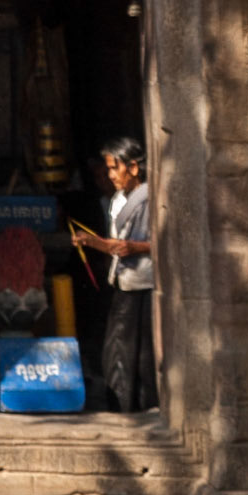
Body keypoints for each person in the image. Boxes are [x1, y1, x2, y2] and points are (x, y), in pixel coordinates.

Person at [80, 135, 157, 412]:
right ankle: (121, 406)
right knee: (117, 351)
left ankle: (144, 406)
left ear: (134, 168)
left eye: (115, 168)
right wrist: (95, 243)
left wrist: (132, 247)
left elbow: (163, 242)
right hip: (122, 283)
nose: (110, 175)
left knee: (142, 354)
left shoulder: (151, 198)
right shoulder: (116, 201)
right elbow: (115, 246)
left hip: (144, 284)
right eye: (108, 169)